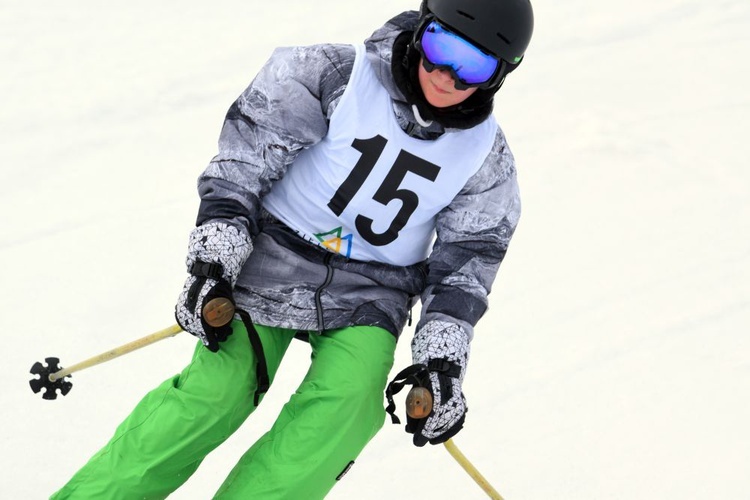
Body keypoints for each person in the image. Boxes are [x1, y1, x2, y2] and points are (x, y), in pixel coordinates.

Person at [51, 0, 533, 498]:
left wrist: (441, 365)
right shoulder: (335, 75)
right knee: (217, 392)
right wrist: (214, 261)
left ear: (500, 75)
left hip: (372, 294)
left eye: (473, 64)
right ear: (421, 29)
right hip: (273, 257)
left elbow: (465, 269)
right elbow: (243, 160)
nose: (447, 75)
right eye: (441, 47)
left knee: (348, 404)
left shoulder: (485, 161)